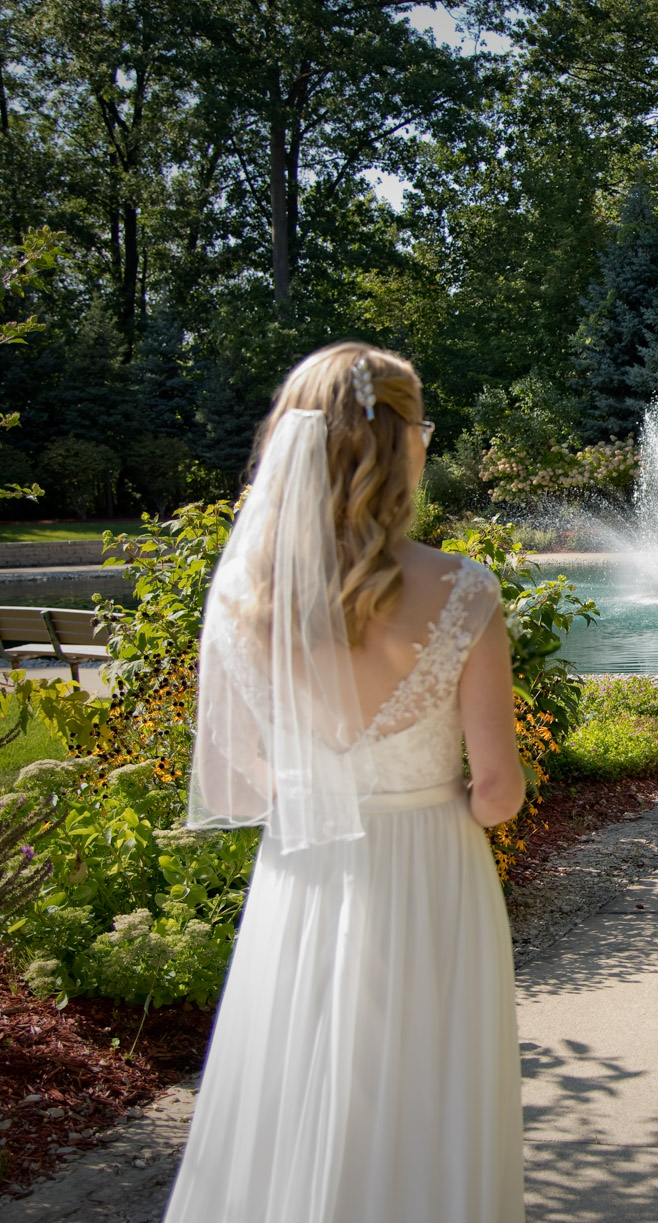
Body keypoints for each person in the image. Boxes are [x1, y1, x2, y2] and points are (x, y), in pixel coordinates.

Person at [163, 342, 527, 1223]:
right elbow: (498, 791)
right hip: (432, 881)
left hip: (305, 876)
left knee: (298, 1084)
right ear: (405, 446)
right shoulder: (463, 593)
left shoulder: (246, 597)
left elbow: (230, 784)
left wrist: (301, 780)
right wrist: (458, 798)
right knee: (424, 1097)